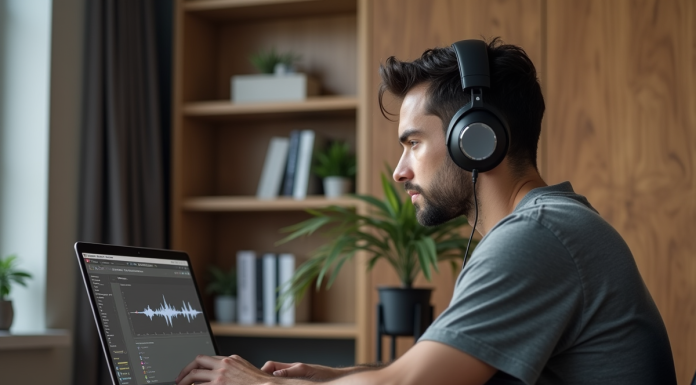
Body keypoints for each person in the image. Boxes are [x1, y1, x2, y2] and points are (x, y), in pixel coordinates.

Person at [175, 38, 676, 385]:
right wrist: (330, 376)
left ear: (476, 141)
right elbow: (439, 368)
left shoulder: (538, 235)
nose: (399, 171)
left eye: (413, 143)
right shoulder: (547, 224)